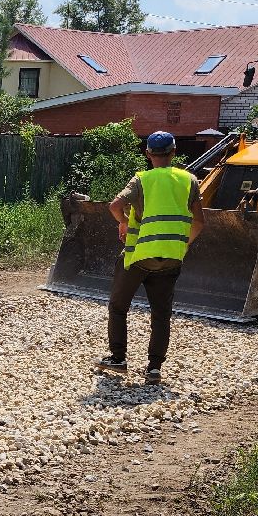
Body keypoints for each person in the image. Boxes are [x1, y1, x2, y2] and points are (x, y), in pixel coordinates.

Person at [99, 130, 205, 384]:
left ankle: (118, 358)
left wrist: (123, 222)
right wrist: (181, 244)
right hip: (171, 259)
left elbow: (114, 206)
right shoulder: (189, 180)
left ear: (148, 154)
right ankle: (154, 368)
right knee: (161, 313)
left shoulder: (141, 180)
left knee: (118, 306)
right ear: (174, 152)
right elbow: (199, 222)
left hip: (138, 257)